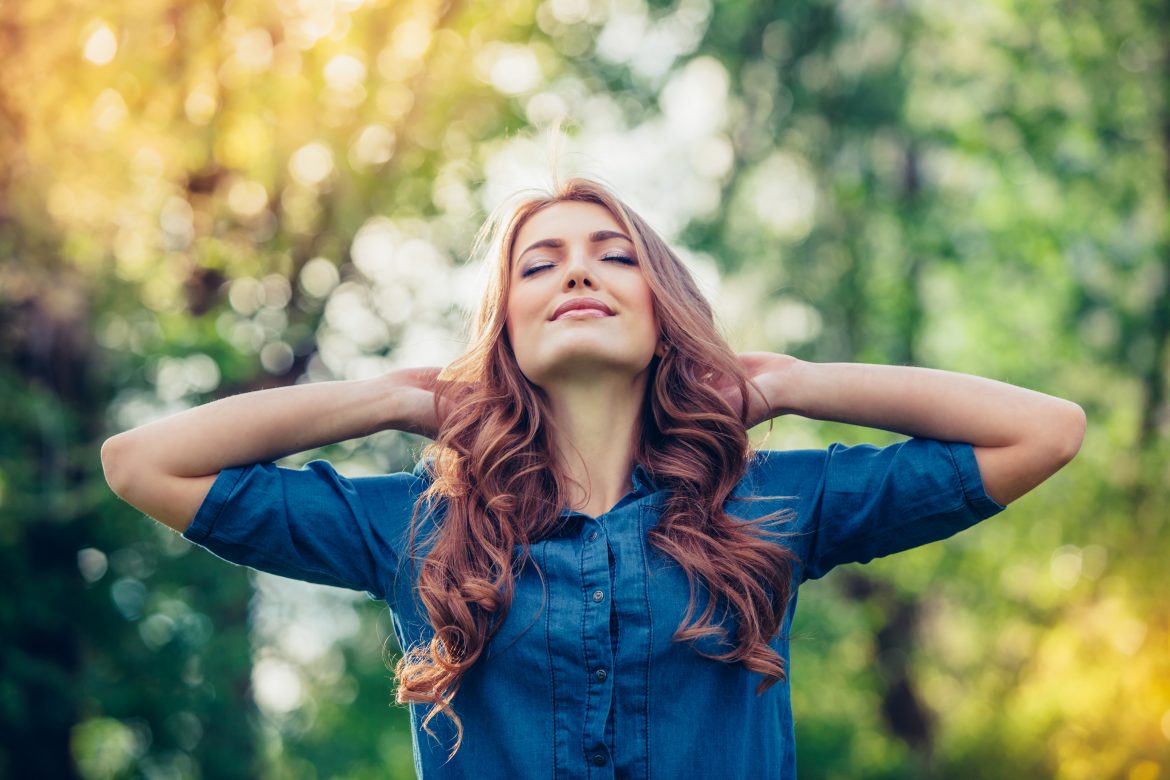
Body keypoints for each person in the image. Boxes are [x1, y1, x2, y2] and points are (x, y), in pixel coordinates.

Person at [101, 176, 1086, 778]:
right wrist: (400, 396)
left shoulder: (775, 506)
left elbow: (1043, 432)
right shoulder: (416, 527)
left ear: (662, 315)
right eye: (540, 265)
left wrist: (790, 383)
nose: (578, 273)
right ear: (506, 328)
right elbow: (143, 463)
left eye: (615, 258)